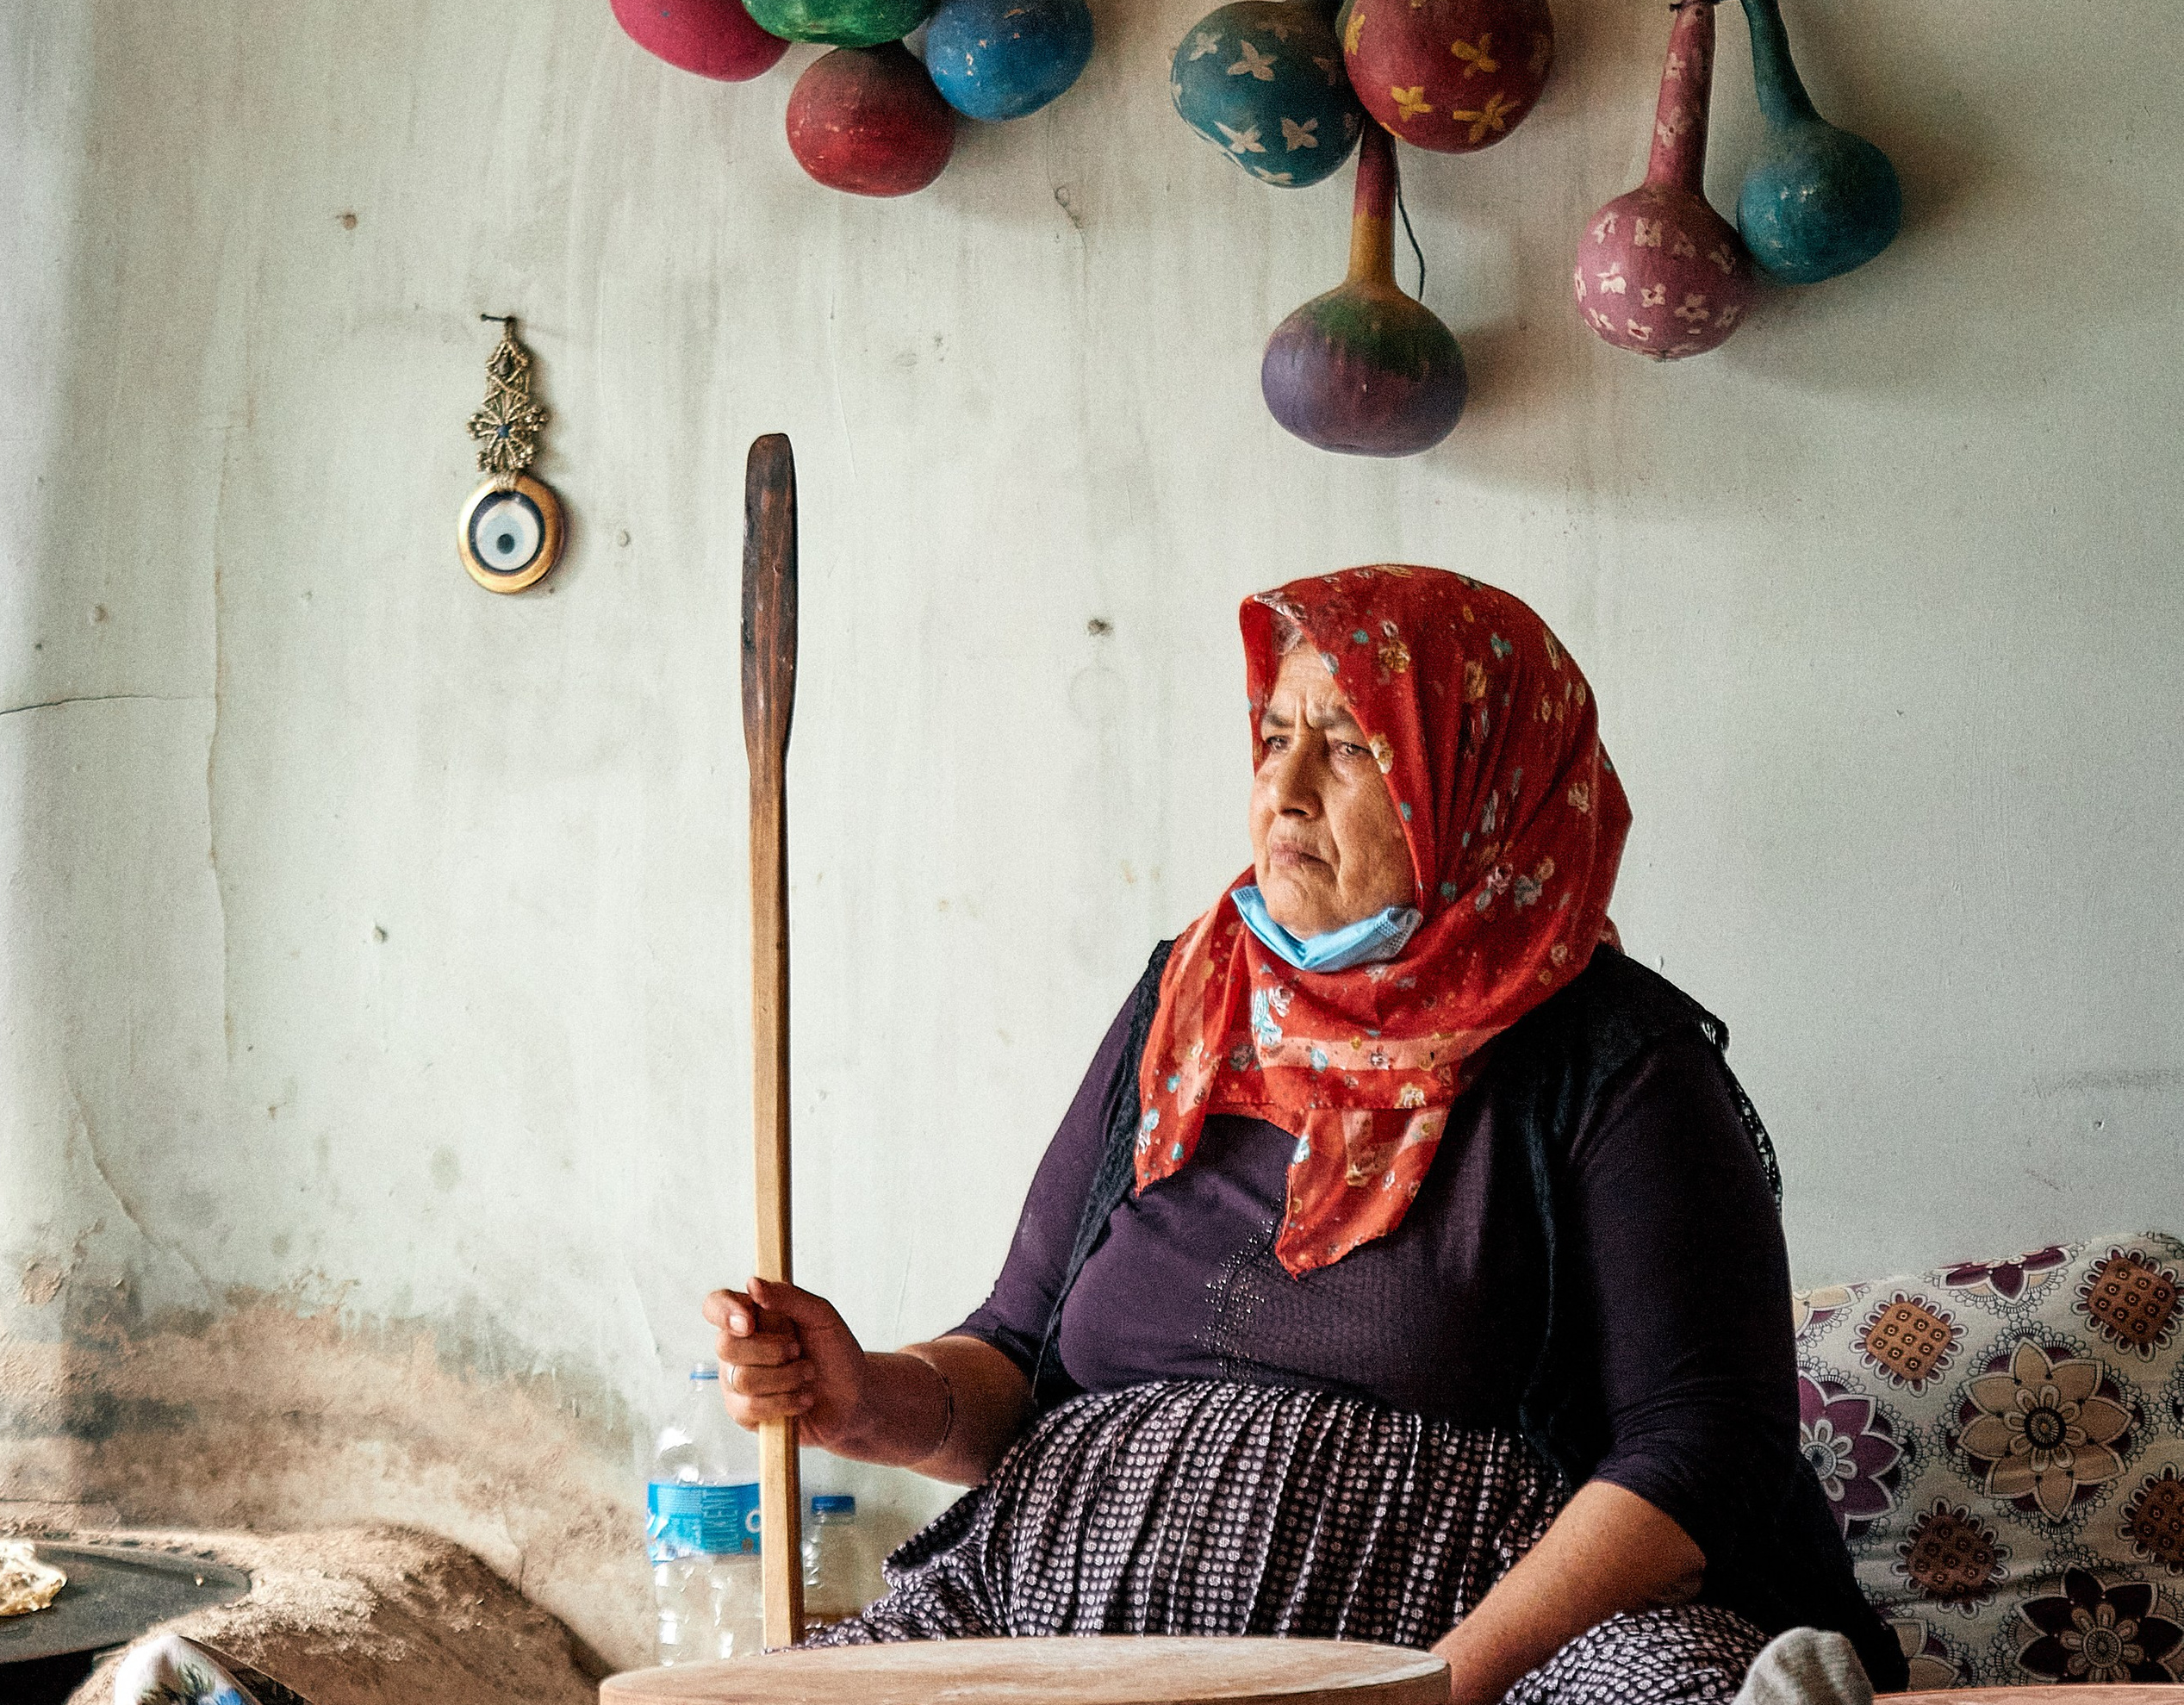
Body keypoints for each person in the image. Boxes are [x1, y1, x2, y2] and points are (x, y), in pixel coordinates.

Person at [706, 566, 1903, 1705]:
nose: (1284, 790)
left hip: (1458, 1643)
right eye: (1276, 736)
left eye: (1351, 746)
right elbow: (1015, 1356)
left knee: (1651, 1684)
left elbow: (1697, 1455)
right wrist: (865, 1397)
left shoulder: (1613, 1057)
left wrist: (1427, 1687)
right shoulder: (1186, 998)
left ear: (1479, 780)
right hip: (1047, 1621)